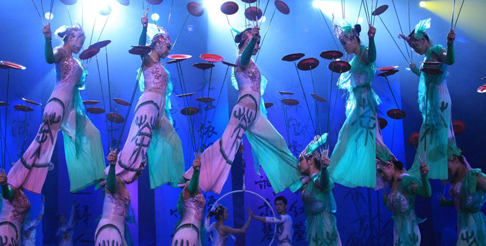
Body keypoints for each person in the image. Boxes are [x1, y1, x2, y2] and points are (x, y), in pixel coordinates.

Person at [183, 26, 300, 194]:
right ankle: (195, 176)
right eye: (256, 43)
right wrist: (253, 39)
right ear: (248, 41)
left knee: (278, 140)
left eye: (258, 43)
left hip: (255, 114)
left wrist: (254, 39)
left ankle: (295, 177)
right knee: (226, 147)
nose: (258, 47)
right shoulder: (239, 59)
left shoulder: (252, 62)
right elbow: (244, 58)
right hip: (243, 111)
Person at [7, 23, 105, 194]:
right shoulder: (61, 51)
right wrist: (47, 39)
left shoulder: (76, 61)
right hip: (58, 102)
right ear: (71, 38)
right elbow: (49, 59)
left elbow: (78, 84)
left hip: (72, 106)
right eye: (80, 41)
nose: (82, 45)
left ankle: (97, 175)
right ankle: (16, 179)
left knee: (93, 134)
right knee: (42, 143)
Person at [109, 14, 184, 189]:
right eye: (167, 46)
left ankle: (174, 177)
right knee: (139, 140)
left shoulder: (162, 66)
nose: (168, 50)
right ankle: (118, 172)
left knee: (174, 141)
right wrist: (144, 28)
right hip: (149, 103)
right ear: (157, 43)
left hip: (160, 108)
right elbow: (141, 48)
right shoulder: (147, 60)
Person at [329, 21, 389, 189]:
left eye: (344, 43)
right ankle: (382, 170)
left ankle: (333, 171)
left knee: (351, 135)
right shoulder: (355, 57)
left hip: (364, 102)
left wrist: (371, 38)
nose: (343, 47)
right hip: (360, 101)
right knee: (360, 138)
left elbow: (372, 57)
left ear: (354, 38)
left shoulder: (364, 53)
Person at [399, 19, 456, 180]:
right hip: (431, 96)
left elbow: (450, 61)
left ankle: (448, 167)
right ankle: (432, 168)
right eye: (412, 47)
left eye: (416, 45)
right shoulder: (425, 57)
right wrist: (416, 70)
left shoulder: (437, 49)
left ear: (423, 40)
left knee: (442, 131)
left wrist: (450, 44)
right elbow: (426, 77)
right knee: (429, 130)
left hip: (440, 94)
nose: (415, 49)